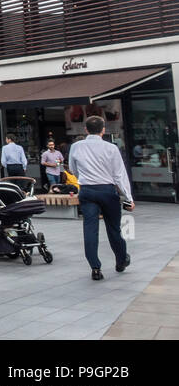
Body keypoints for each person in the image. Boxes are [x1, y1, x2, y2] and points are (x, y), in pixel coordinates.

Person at [68, 116, 134, 281]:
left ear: (86, 129)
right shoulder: (111, 148)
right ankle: (121, 260)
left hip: (87, 191)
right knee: (114, 228)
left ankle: (95, 268)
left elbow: (72, 169)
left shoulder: (76, 147)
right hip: (107, 190)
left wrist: (84, 178)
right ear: (103, 129)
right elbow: (119, 175)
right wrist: (129, 197)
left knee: (90, 229)